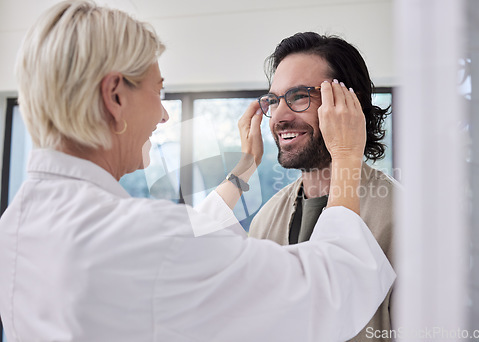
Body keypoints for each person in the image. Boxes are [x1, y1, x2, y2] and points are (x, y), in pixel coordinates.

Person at [0, 2, 395, 341]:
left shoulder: (17, 225)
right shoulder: (147, 238)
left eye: (299, 96)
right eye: (158, 92)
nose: (163, 113)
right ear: (115, 96)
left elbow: (196, 237)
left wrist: (244, 170)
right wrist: (346, 155)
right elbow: (333, 286)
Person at [249, 32, 400, 342]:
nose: (279, 116)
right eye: (274, 100)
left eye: (299, 96)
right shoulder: (266, 220)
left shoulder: (402, 215)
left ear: (348, 105)